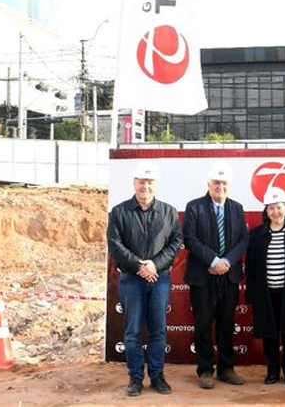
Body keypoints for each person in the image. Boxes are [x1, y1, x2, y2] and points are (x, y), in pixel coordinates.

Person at [107, 161, 183, 397]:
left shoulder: (169, 212)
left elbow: (175, 243)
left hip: (159, 279)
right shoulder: (120, 212)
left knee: (158, 330)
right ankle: (135, 377)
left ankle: (157, 376)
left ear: (155, 185)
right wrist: (140, 265)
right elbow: (115, 245)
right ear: (134, 183)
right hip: (131, 279)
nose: (145, 186)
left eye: (149, 182)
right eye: (141, 182)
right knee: (132, 331)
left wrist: (154, 265)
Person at [182, 163, 249, 389]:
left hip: (228, 277)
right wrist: (213, 261)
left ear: (229, 186)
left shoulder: (237, 209)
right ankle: (205, 369)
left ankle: (226, 368)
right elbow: (190, 238)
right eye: (216, 183)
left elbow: (243, 240)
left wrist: (226, 262)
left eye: (224, 183)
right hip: (203, 276)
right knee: (202, 323)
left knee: (227, 324)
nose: (220, 186)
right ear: (209, 184)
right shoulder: (194, 207)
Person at [245, 187, 285, 386]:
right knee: (269, 333)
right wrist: (251, 293)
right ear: (266, 211)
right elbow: (251, 266)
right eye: (271, 208)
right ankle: (272, 371)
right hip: (265, 293)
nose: (275, 212)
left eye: (279, 207)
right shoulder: (256, 234)